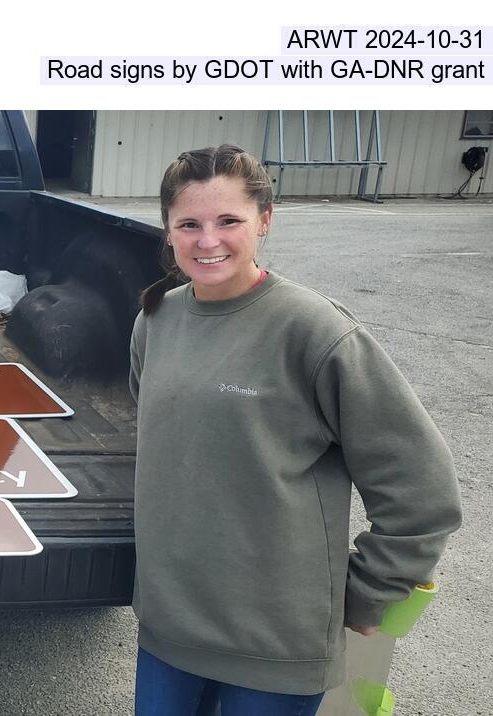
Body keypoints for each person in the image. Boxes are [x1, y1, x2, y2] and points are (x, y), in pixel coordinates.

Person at [128, 144, 461, 715]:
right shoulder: (156, 319)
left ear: (264, 220)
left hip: (273, 647)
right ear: (168, 231)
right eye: (190, 224)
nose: (208, 241)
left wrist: (369, 593)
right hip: (168, 632)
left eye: (229, 220)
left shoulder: (314, 332)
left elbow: (421, 489)